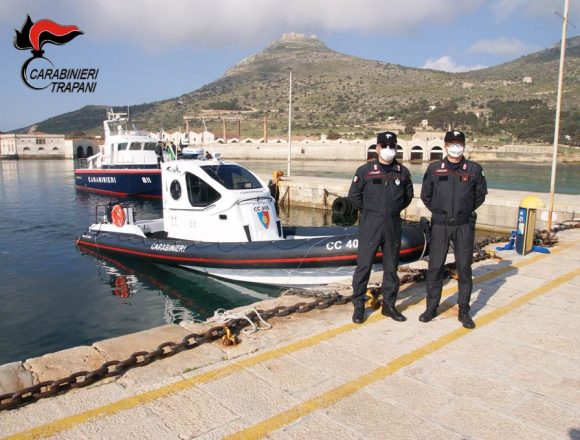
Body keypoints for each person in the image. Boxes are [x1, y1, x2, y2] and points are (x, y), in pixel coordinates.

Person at [419, 130, 487, 329]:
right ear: (446, 145)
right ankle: (431, 307)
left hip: (463, 225)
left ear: (464, 145)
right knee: (435, 268)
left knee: (464, 268)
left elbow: (480, 195)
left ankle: (464, 311)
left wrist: (464, 210)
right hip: (440, 225)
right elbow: (426, 195)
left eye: (459, 143)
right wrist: (440, 212)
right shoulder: (434, 168)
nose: (455, 147)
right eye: (452, 143)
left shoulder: (474, 169)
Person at [348, 131, 414, 324]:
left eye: (392, 146)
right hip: (371, 223)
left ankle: (389, 306)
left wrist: (392, 210)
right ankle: (359, 306)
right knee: (364, 265)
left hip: (393, 223)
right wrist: (370, 211)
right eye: (384, 146)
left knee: (391, 266)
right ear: (377, 148)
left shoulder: (402, 172)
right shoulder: (365, 171)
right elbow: (354, 195)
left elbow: (407, 196)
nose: (388, 149)